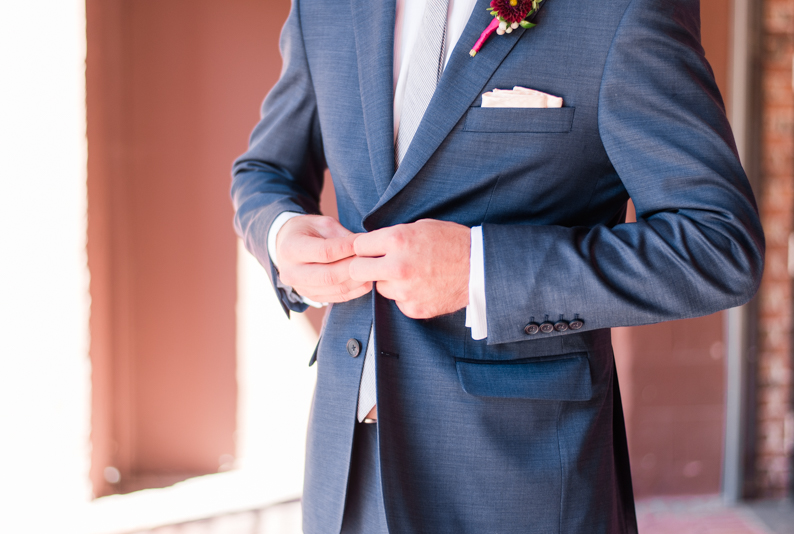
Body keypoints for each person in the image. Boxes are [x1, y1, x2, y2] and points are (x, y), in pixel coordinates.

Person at [231, 0, 765, 531]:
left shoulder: (620, 9)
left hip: (520, 480)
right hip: (348, 477)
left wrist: (479, 271)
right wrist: (280, 236)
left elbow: (718, 243)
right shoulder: (322, 9)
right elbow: (264, 171)